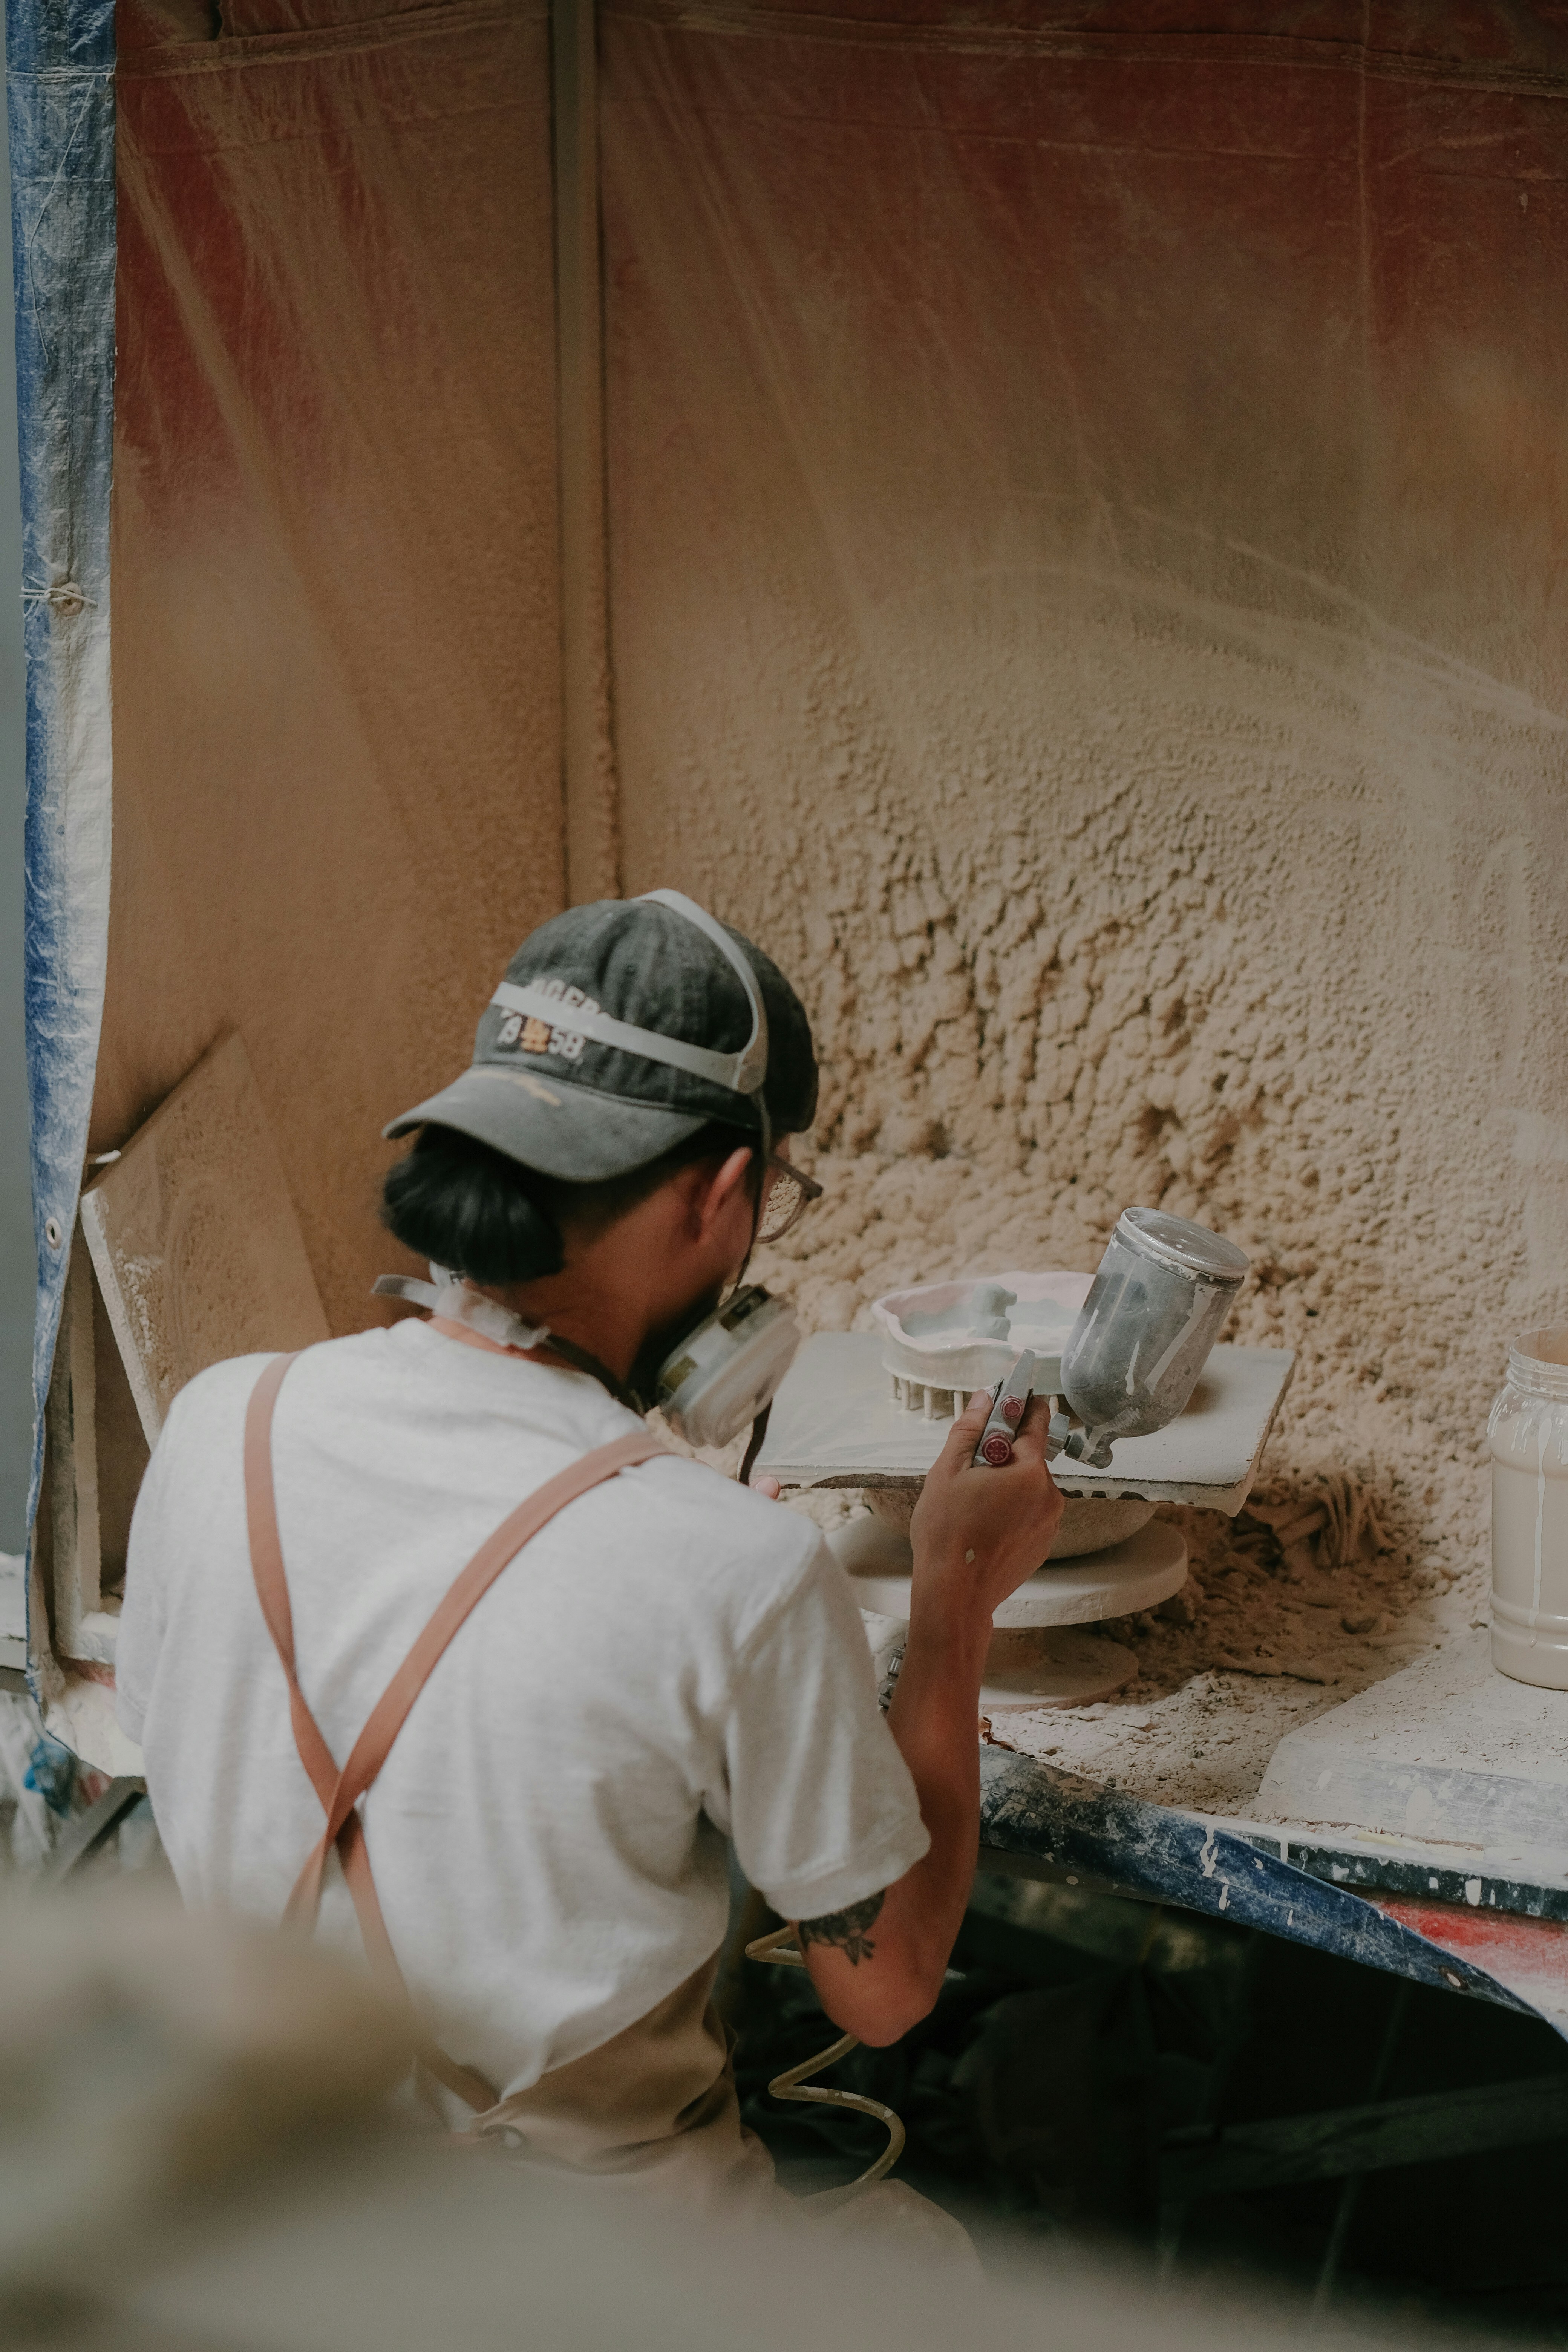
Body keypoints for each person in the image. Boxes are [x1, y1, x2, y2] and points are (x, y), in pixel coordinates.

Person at [116, 890, 1062, 2210]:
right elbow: (886, 1985)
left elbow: (179, 1756)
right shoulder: (735, 1568)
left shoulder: (222, 1422)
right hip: (587, 2273)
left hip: (259, 2218)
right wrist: (954, 1595)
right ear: (722, 1193)